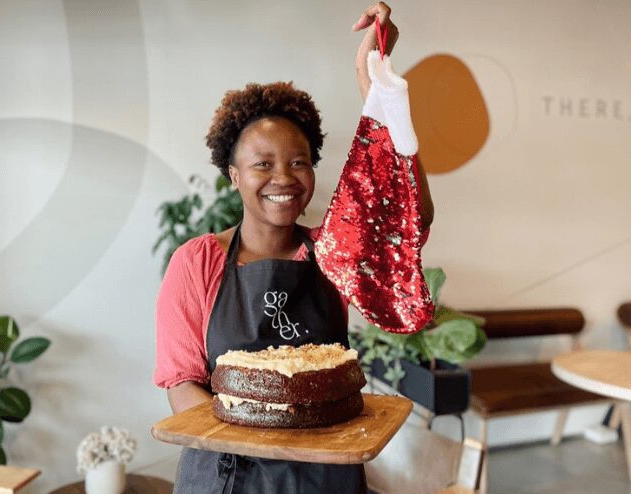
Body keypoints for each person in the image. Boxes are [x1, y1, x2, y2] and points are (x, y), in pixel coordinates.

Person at [154, 3, 433, 492]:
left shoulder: (334, 253)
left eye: (299, 162)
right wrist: (264, 447)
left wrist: (377, 88)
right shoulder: (198, 261)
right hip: (227, 475)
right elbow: (182, 383)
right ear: (233, 175)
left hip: (325, 477)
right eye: (262, 164)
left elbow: (411, 219)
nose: (283, 178)